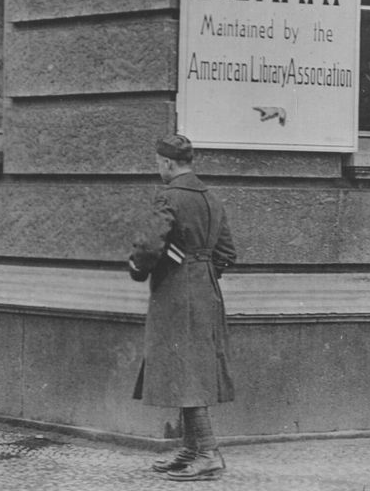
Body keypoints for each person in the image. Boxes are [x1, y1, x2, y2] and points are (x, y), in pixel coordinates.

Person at [128, 134, 237, 481]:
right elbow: (227, 253)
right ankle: (191, 450)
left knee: (186, 370)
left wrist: (139, 269)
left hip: (176, 291)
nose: (159, 169)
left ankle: (207, 453)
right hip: (206, 289)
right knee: (189, 367)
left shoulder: (168, 196)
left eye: (160, 164)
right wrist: (201, 271)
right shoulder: (210, 197)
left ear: (168, 164)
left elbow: (147, 246)